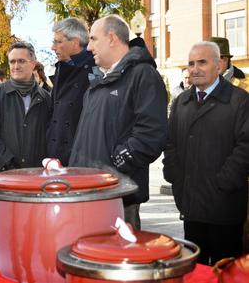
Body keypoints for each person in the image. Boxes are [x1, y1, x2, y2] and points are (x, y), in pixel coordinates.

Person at [69, 15, 168, 230]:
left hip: (119, 200)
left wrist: (116, 166)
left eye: (94, 39)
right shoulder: (97, 85)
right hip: (89, 195)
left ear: (112, 38)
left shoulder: (143, 75)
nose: (89, 48)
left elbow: (152, 134)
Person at [163, 41, 249, 265]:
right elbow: (169, 142)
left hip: (225, 208)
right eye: (191, 63)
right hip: (190, 206)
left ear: (219, 65)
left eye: (202, 62)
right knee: (196, 271)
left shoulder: (239, 101)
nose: (194, 69)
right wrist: (174, 175)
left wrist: (225, 181)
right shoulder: (182, 101)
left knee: (225, 271)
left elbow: (246, 146)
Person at [0, 41, 51, 177]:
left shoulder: (45, 98)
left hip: (36, 176)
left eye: (21, 61)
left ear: (33, 64)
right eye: (12, 62)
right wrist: (8, 161)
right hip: (3, 175)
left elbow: (49, 137)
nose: (16, 66)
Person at [48, 17, 95, 166]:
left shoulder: (96, 70)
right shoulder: (61, 69)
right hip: (56, 161)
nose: (52, 47)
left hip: (82, 162)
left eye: (57, 41)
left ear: (75, 42)